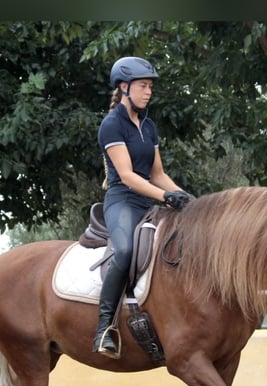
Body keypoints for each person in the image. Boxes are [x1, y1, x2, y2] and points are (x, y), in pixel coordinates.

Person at [94, 56, 193, 358]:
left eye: (150, 86)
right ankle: (104, 328)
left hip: (147, 199)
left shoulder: (148, 126)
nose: (148, 91)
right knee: (124, 252)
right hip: (122, 200)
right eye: (142, 86)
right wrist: (164, 197)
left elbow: (158, 174)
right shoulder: (111, 125)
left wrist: (187, 199)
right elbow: (127, 175)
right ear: (124, 87)